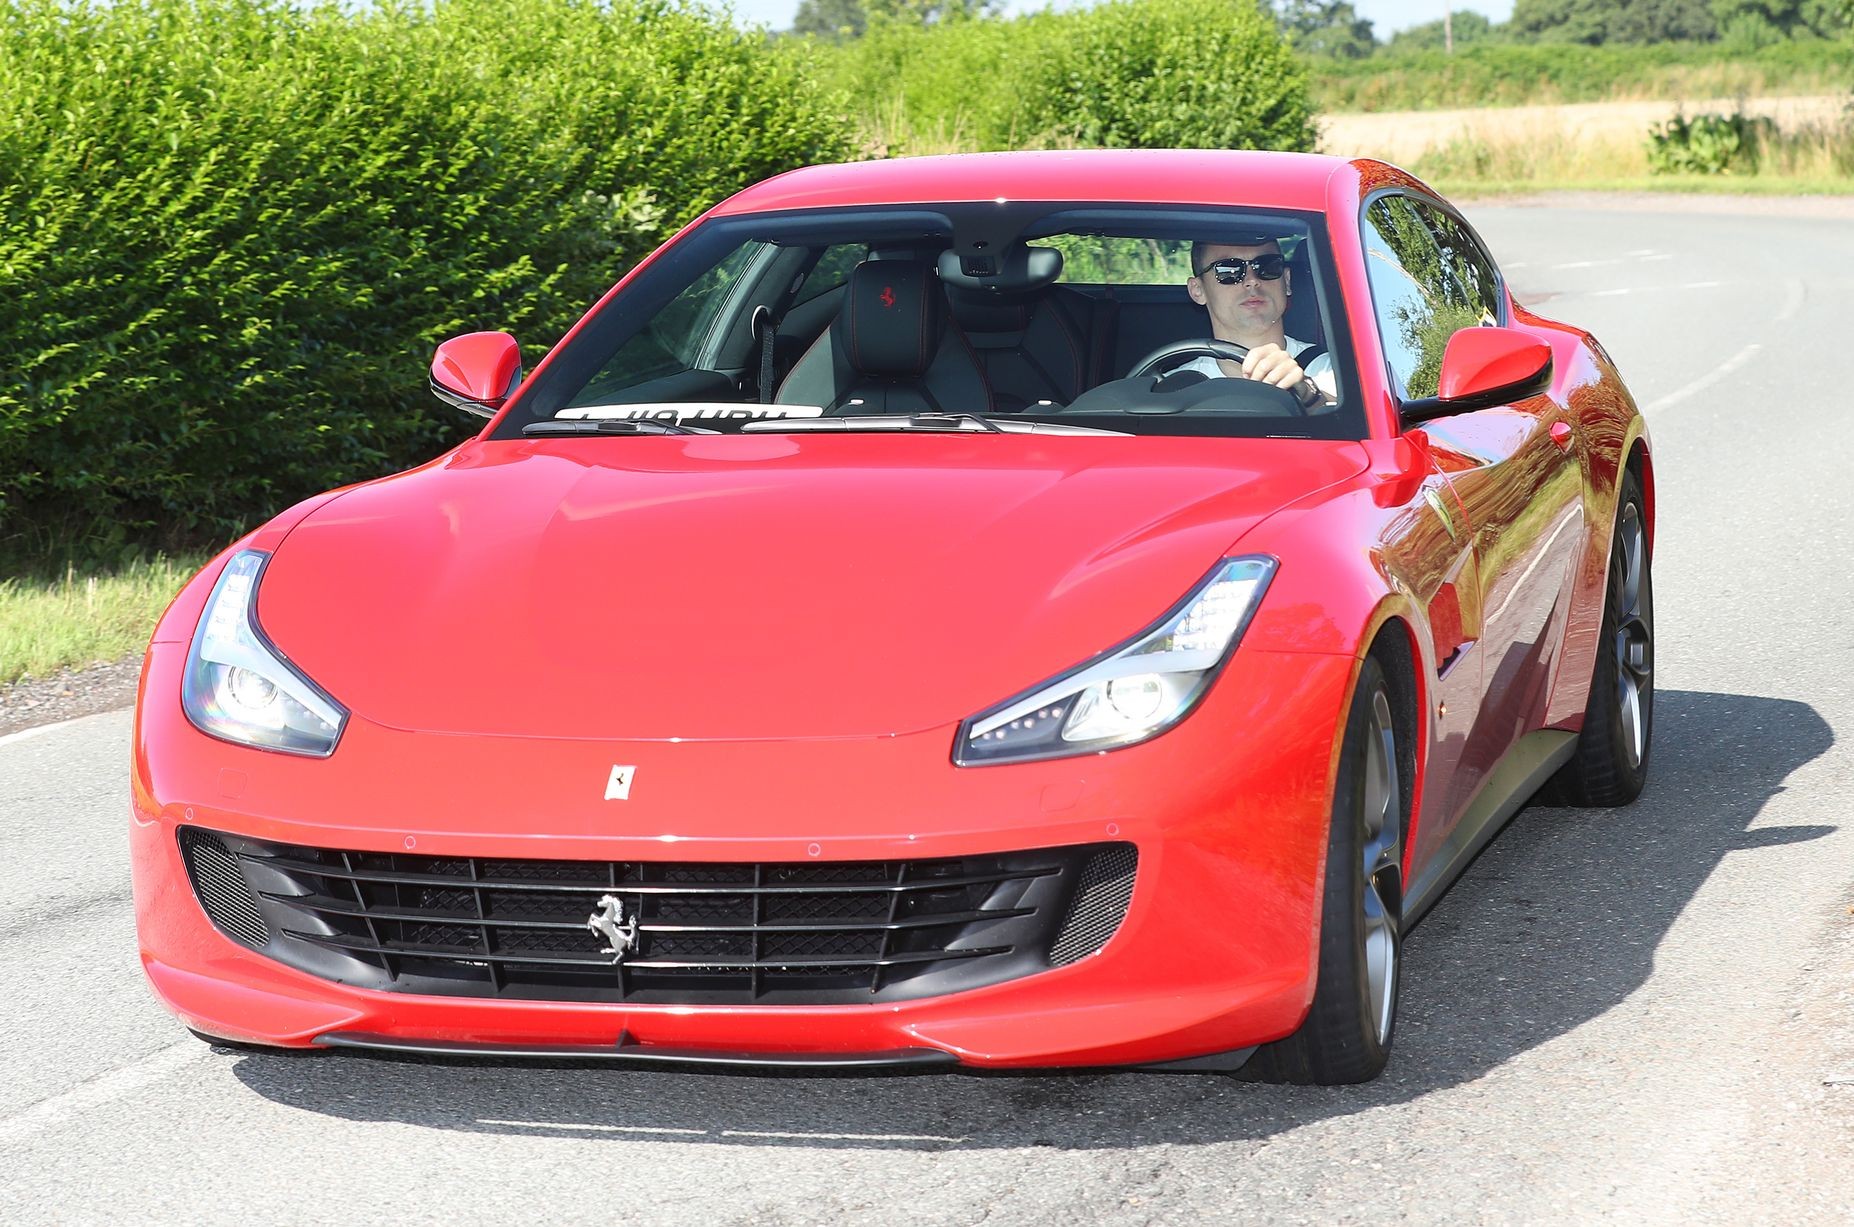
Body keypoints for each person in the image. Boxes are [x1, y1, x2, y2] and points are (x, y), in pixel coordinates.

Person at [1178, 236, 1337, 402]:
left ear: (1287, 281)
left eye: (1267, 266)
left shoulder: (1336, 374)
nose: (1252, 280)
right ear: (1198, 290)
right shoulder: (1173, 389)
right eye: (1229, 270)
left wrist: (1310, 397)